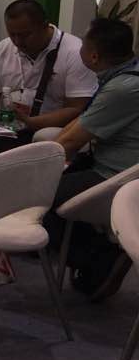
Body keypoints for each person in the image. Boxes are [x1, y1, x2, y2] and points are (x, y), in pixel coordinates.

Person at [46, 17, 139, 300]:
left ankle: (104, 257)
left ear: (94, 56)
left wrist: (38, 169)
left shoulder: (123, 88)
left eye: (83, 45)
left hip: (116, 175)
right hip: (113, 165)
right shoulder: (123, 76)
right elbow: (79, 125)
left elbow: (71, 140)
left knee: (37, 199)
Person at [0, 0, 95, 147]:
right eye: (12, 34)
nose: (17, 41)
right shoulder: (2, 49)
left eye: (25, 35)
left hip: (52, 129)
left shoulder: (75, 51)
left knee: (42, 137)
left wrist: (30, 122)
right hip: (9, 127)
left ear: (44, 26)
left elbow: (76, 109)